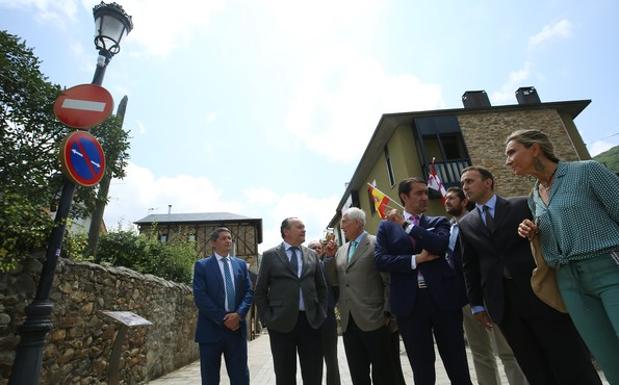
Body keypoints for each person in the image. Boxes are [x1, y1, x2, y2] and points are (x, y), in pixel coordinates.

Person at [458, 166, 602, 385]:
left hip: (539, 291)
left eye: (469, 181)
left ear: (488, 182)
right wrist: (477, 304)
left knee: (567, 354)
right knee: (530, 362)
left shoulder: (521, 205)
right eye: (462, 184)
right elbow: (470, 266)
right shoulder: (465, 223)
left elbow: (546, 237)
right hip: (503, 302)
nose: (464, 187)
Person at [505, 128, 619, 385]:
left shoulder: (587, 170)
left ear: (535, 149)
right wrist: (534, 232)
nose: (507, 160)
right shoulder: (534, 197)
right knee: (608, 359)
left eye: (512, 152)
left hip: (609, 270)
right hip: (569, 283)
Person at [374, 177, 472, 385]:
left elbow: (439, 245)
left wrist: (406, 225)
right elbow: (381, 260)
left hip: (443, 300)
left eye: (426, 193)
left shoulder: (438, 222)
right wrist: (415, 259)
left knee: (458, 364)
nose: (425, 197)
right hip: (410, 304)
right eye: (418, 193)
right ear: (404, 197)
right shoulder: (386, 228)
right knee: (422, 367)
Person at [444, 186, 528, 385]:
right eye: (445, 199)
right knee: (480, 353)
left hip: (490, 296)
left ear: (464, 202)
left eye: (451, 198)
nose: (446, 201)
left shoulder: (478, 221)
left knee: (507, 351)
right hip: (465, 299)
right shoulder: (448, 228)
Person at [323, 207, 395, 385]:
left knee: (383, 372)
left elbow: (389, 280)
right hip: (349, 322)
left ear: (358, 222)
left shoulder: (377, 243)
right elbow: (334, 280)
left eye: (345, 221)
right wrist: (330, 258)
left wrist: (388, 312)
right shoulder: (341, 250)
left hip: (375, 318)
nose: (341, 226)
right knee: (358, 373)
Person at [254, 217, 327, 385]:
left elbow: (322, 287)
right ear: (286, 232)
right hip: (280, 323)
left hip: (310, 322)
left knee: (313, 373)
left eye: (304, 227)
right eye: (299, 227)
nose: (304, 230)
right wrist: (267, 319)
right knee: (284, 374)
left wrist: (321, 313)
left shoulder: (312, 255)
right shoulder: (270, 256)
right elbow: (260, 291)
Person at [193, 227, 254, 385]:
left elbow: (249, 292)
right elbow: (200, 297)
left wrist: (238, 315)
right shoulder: (202, 266)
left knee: (240, 376)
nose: (228, 241)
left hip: (236, 330)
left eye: (230, 238)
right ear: (213, 243)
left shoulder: (240, 265)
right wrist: (223, 318)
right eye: (224, 238)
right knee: (210, 378)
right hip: (210, 330)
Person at [308, 239, 341, 385]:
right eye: (313, 248)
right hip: (310, 321)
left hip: (328, 318)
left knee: (332, 360)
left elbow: (336, 285)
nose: (317, 249)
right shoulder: (303, 268)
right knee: (312, 362)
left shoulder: (326, 265)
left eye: (319, 247)